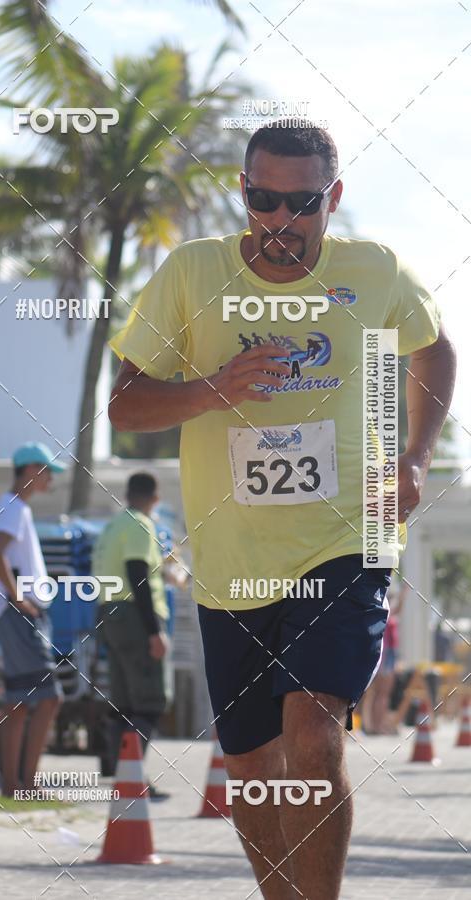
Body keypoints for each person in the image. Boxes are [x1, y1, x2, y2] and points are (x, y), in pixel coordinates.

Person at [106, 123, 456, 899]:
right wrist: (213, 389)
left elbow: (433, 349)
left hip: (346, 540)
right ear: (243, 191)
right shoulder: (192, 275)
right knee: (254, 765)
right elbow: (125, 405)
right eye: (263, 200)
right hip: (231, 565)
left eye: (300, 204)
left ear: (332, 198)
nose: (280, 222)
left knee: (313, 730)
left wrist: (415, 453)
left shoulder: (372, 271)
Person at [0, 442, 66, 796]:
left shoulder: (14, 507)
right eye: (48, 471)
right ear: (31, 469)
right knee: (49, 697)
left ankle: (14, 785)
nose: (51, 479)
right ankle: (26, 784)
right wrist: (19, 598)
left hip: (20, 613)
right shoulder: (14, 508)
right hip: (20, 615)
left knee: (19, 702)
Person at [92, 473, 172, 790]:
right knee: (150, 700)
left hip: (108, 613)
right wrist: (154, 632)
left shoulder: (112, 527)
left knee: (124, 701)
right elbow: (137, 573)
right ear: (154, 497)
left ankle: (121, 773)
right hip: (133, 616)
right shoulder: (141, 524)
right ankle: (132, 777)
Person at [360, 581, 406, 735]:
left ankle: (374, 725)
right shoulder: (383, 609)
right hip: (385, 653)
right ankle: (375, 726)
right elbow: (395, 611)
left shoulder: (381, 609)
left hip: (387, 653)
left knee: (377, 694)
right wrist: (403, 596)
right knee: (381, 693)